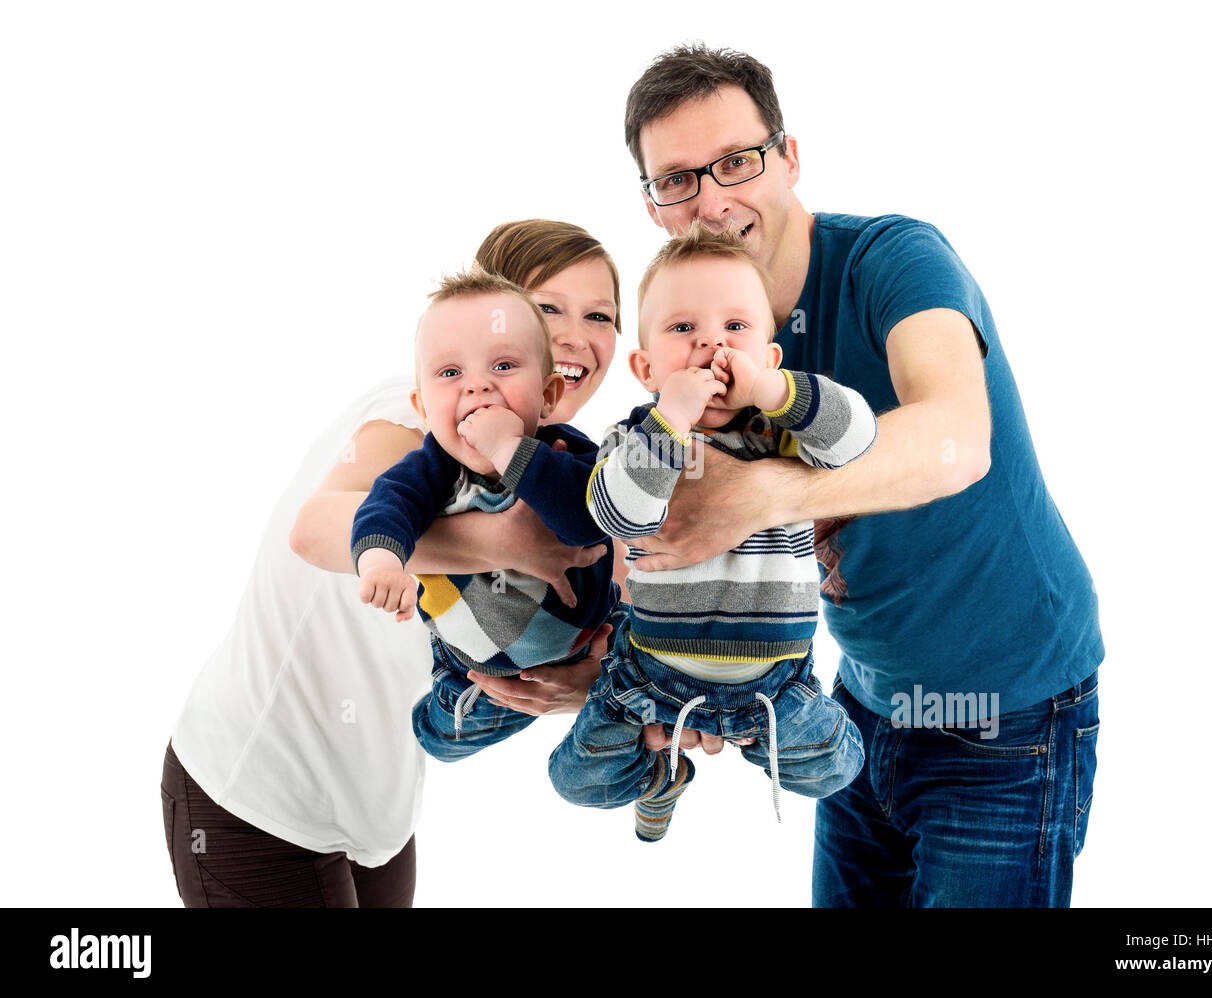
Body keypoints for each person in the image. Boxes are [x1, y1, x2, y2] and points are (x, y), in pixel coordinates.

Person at [546, 43, 1100, 906]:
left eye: (736, 160)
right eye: (678, 179)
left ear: (789, 157)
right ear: (653, 205)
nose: (713, 199)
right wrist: (641, 674)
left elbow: (960, 438)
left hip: (1009, 713)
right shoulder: (690, 334)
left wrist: (766, 496)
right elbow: (652, 522)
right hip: (858, 700)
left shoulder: (893, 262)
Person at [161, 219, 623, 907]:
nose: (576, 335)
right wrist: (505, 543)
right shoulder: (418, 420)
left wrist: (590, 679)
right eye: (549, 307)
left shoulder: (563, 466)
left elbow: (604, 599)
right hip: (253, 791)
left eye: (601, 315)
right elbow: (314, 528)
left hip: (375, 809)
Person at [549, 224, 876, 842]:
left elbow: (858, 440)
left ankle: (761, 746)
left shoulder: (784, 437)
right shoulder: (635, 440)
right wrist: (671, 420)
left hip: (775, 684)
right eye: (682, 329)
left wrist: (776, 393)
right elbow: (619, 515)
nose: (710, 344)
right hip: (647, 677)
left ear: (771, 356)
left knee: (839, 767)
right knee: (578, 779)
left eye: (736, 328)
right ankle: (656, 781)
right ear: (645, 367)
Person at [351, 267, 619, 758]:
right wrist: (382, 562)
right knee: (439, 738)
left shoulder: (569, 452)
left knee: (627, 714)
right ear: (423, 405)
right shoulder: (431, 466)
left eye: (503, 366)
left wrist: (511, 450)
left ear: (549, 394)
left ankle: (647, 768)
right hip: (469, 665)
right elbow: (386, 506)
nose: (477, 388)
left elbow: (585, 522)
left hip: (588, 646)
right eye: (450, 374)